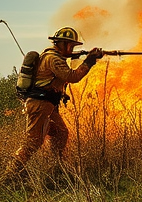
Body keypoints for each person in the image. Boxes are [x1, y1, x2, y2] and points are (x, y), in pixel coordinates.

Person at [7, 26, 104, 175]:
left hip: (47, 105)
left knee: (61, 132)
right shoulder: (53, 59)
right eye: (70, 45)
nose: (71, 49)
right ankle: (10, 173)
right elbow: (72, 77)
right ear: (61, 44)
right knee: (33, 142)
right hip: (40, 104)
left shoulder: (54, 57)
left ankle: (55, 166)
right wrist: (89, 61)